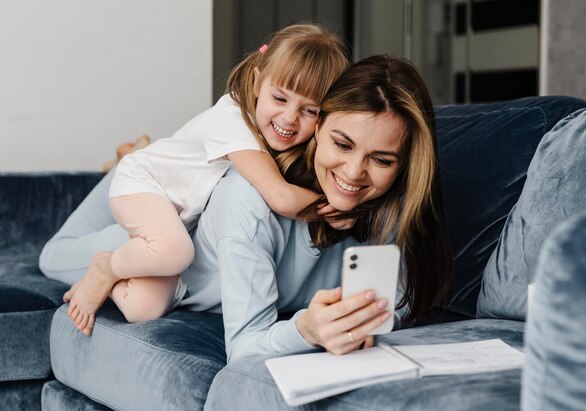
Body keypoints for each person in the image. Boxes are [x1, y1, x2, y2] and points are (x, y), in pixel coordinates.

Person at [40, 55, 454, 360]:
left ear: (404, 166)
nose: (354, 172)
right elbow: (244, 348)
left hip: (189, 210)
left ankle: (143, 156)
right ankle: (132, 161)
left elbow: (397, 308)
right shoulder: (250, 201)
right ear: (317, 128)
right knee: (53, 257)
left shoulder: (392, 210)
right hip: (152, 248)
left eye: (381, 160)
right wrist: (305, 329)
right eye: (342, 144)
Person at [56, 23, 350, 336]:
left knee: (144, 308)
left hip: (177, 211)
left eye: (309, 110)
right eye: (279, 99)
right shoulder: (233, 121)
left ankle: (136, 152)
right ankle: (106, 265)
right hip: (144, 184)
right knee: (175, 251)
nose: (290, 118)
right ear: (255, 82)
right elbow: (281, 198)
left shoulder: (287, 144)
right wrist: (338, 206)